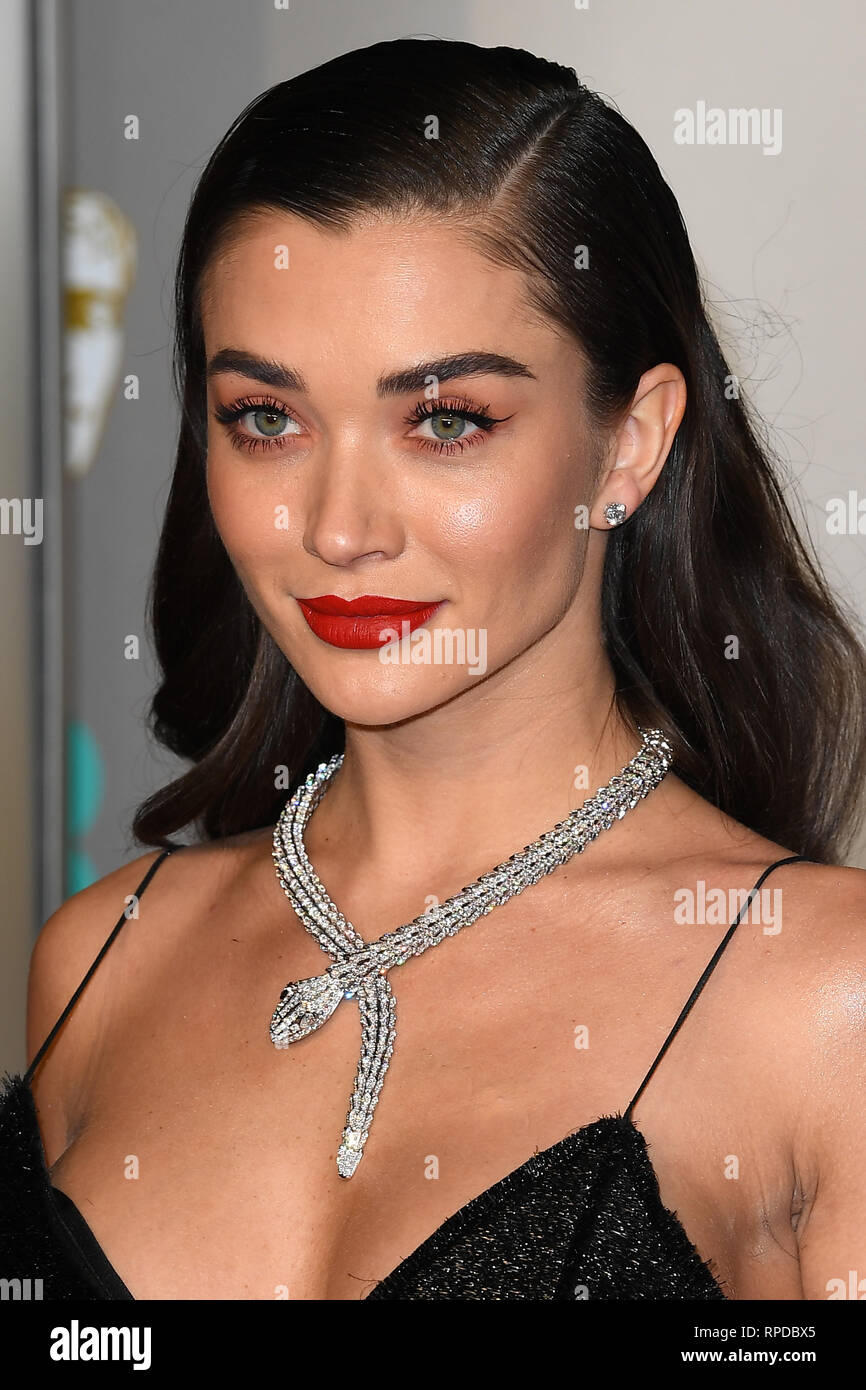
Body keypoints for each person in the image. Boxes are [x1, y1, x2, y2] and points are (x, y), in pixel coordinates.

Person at [5, 37, 866, 1302]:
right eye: (267, 419)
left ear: (630, 443)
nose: (340, 527)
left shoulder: (820, 1000)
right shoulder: (97, 961)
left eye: (445, 421)